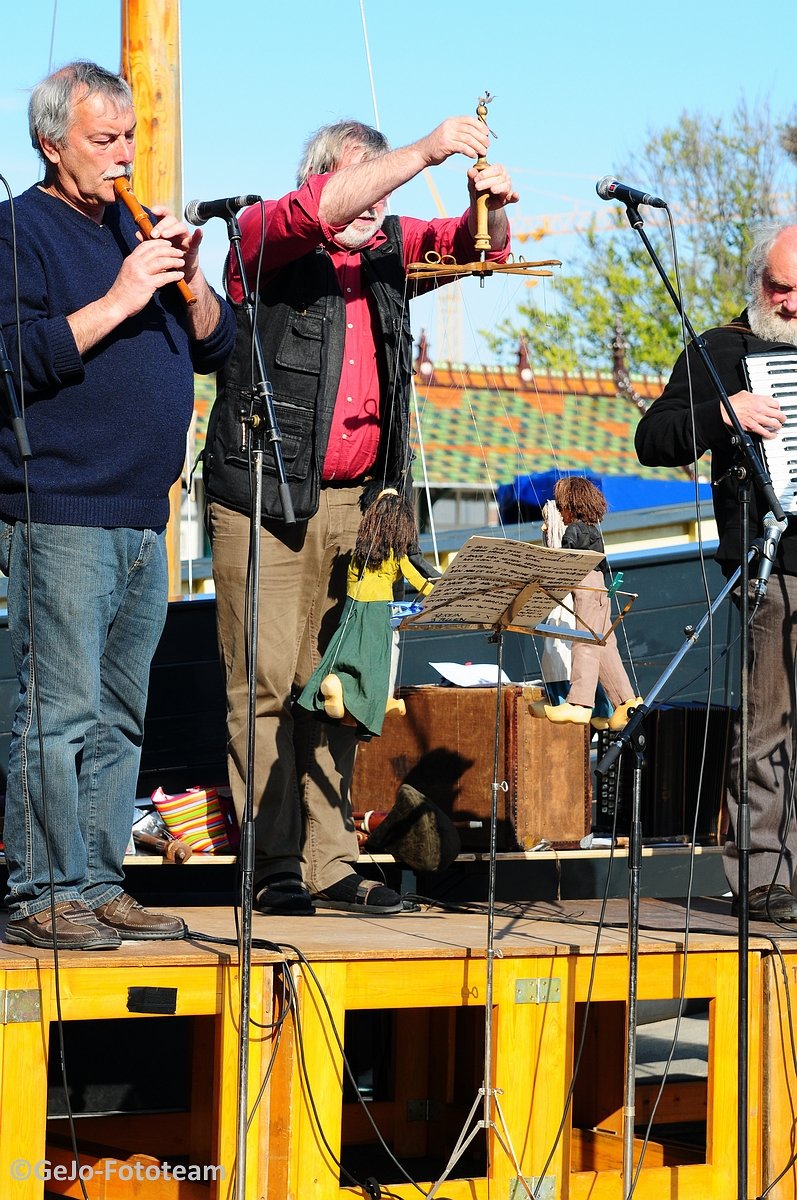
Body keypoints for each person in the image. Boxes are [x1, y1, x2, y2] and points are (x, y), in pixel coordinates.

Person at [203, 115, 517, 916]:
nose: (383, 198)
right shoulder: (260, 236)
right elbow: (313, 213)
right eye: (366, 180)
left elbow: (478, 247)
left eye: (389, 183)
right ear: (326, 181)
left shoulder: (386, 253)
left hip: (359, 507)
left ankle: (331, 861)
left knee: (335, 684)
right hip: (265, 498)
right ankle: (273, 864)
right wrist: (423, 152)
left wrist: (491, 205)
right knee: (265, 684)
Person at [0, 61, 235, 949]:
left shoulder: (136, 233)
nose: (125, 155)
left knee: (118, 715)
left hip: (144, 512)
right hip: (57, 506)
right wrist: (123, 295)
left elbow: (217, 345)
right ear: (52, 142)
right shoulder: (16, 232)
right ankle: (40, 894)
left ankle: (98, 882)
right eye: (104, 140)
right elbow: (12, 362)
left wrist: (190, 279)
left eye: (130, 136)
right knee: (51, 714)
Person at [635, 221, 797, 921]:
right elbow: (652, 438)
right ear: (757, 281)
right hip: (771, 561)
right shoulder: (722, 349)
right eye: (778, 286)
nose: (787, 302)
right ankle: (763, 876)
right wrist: (722, 414)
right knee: (765, 724)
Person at [296, 487, 438, 740]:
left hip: (353, 605)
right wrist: (436, 592)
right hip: (377, 607)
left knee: (346, 653)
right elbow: (415, 577)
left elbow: (351, 580)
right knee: (375, 662)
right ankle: (376, 704)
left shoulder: (360, 554)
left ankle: (336, 683)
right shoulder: (397, 553)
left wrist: (354, 603)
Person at [531, 477, 641, 729]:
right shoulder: (593, 530)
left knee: (585, 642)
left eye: (561, 507)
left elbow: (566, 564)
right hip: (599, 587)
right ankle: (626, 702)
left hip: (585, 587)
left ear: (571, 505)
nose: (560, 512)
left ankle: (579, 704)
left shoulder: (573, 531)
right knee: (604, 645)